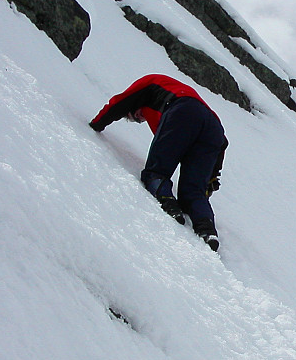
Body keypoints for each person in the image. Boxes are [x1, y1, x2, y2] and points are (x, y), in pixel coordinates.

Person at [90, 73, 227, 251]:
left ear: (133, 107)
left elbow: (118, 103)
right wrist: (212, 174)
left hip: (182, 108)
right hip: (213, 126)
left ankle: (168, 203)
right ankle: (206, 228)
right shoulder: (161, 114)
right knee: (193, 191)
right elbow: (221, 143)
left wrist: (96, 125)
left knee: (155, 173)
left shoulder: (151, 84)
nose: (141, 119)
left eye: (135, 117)